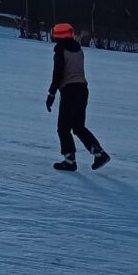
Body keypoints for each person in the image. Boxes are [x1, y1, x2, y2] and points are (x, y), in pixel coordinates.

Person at [45, 22, 110, 171]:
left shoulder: (60, 51)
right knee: (78, 126)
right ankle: (99, 154)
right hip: (82, 89)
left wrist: (51, 94)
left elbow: (57, 74)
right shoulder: (78, 49)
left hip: (70, 90)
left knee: (63, 128)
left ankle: (69, 161)